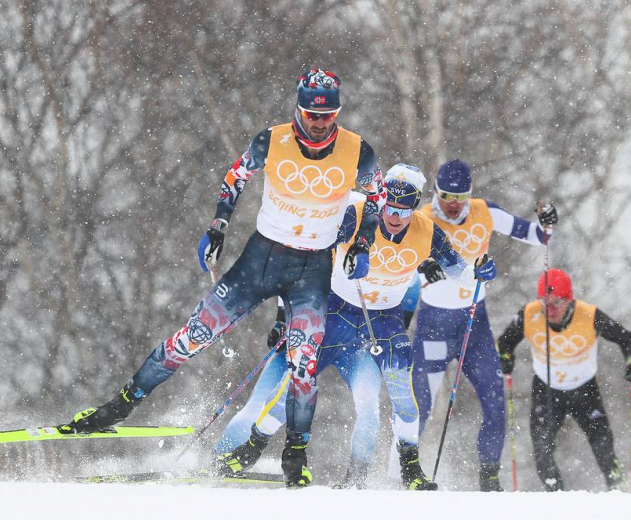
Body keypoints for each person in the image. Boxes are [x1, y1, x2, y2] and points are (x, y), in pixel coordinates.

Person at [59, 68, 386, 488]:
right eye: (311, 115)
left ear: (337, 113)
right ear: (298, 109)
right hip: (261, 259)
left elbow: (376, 198)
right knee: (194, 335)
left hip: (312, 269)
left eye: (327, 116)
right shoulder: (272, 140)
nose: (319, 123)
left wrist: (363, 243)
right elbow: (235, 179)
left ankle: (295, 456)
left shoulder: (359, 151)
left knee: (303, 365)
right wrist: (218, 226)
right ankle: (115, 409)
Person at [211, 164, 497, 490]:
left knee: (401, 392)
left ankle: (403, 471)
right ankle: (250, 449)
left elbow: (462, 271)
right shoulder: (359, 214)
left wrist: (481, 269)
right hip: (337, 312)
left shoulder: (428, 232)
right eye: (389, 206)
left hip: (384, 319)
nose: (394, 216)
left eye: (403, 210)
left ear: (415, 207)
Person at [394, 158, 558, 491]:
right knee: (418, 406)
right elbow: (394, 264)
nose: (452, 205)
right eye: (445, 197)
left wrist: (547, 223)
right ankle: (398, 474)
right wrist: (420, 273)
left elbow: (536, 236)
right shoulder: (421, 219)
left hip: (474, 325)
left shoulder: (486, 212)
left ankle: (489, 480)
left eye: (460, 197)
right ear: (436, 192)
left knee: (496, 402)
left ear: (469, 194)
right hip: (433, 326)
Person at [497, 268, 631, 491]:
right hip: (547, 389)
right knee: (541, 448)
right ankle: (556, 494)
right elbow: (505, 342)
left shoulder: (590, 315)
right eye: (544, 302)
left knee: (602, 444)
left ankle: (617, 486)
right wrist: (506, 358)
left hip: (584, 388)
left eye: (557, 302)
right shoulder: (529, 314)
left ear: (569, 300)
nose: (550, 308)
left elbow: (626, 338)